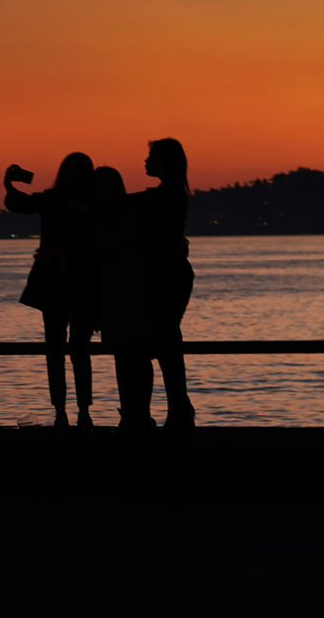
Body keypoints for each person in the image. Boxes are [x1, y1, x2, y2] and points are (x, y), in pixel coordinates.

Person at [4, 153, 97, 431]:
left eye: (76, 169)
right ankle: (61, 412)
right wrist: (9, 185)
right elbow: (20, 203)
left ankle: (82, 413)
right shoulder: (52, 198)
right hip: (56, 282)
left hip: (79, 281)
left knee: (79, 350)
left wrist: (57, 252)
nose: (70, 173)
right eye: (67, 168)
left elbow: (94, 241)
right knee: (55, 350)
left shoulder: (93, 202)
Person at [131, 138, 196, 434]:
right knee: (165, 340)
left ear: (165, 161)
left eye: (151, 156)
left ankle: (178, 409)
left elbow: (135, 203)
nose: (146, 161)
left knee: (164, 339)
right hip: (165, 269)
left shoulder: (168, 192)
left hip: (166, 271)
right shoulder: (173, 190)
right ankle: (178, 408)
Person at [92, 166, 155, 438]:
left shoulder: (126, 212)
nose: (100, 186)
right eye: (97, 182)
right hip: (110, 290)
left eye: (104, 181)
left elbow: (111, 247)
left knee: (136, 354)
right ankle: (130, 414)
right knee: (122, 354)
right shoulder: (99, 213)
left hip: (131, 288)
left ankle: (139, 414)